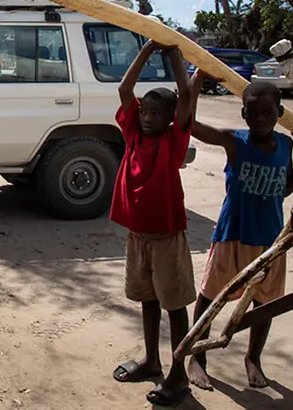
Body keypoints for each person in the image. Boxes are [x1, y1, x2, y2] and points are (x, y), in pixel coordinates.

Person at [186, 75, 293, 391]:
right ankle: (197, 356)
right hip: (233, 234)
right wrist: (196, 84)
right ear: (243, 114)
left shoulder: (286, 145)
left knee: (264, 303)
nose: (260, 119)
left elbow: (284, 187)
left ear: (280, 113)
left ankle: (253, 358)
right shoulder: (235, 141)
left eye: (267, 113)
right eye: (253, 113)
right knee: (211, 296)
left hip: (270, 239)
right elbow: (191, 127)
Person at [110, 40, 194, 407]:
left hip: (166, 237)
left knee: (174, 304)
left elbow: (186, 97)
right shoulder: (132, 132)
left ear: (170, 119)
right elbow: (124, 90)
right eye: (144, 111)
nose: (147, 117)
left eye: (156, 113)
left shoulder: (173, 142)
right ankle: (151, 360)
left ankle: (179, 373)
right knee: (146, 298)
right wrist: (145, 50)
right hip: (138, 236)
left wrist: (174, 57)